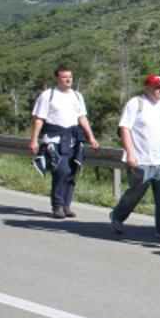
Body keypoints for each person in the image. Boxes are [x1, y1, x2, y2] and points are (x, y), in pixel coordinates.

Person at [110, 74, 160, 239]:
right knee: (135, 193)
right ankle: (117, 216)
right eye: (157, 87)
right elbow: (125, 128)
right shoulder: (136, 103)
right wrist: (130, 153)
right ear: (147, 87)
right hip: (140, 158)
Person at [28, 65, 99, 219]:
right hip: (54, 139)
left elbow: (82, 117)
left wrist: (91, 137)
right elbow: (39, 118)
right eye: (64, 77)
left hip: (73, 139)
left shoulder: (77, 96)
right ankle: (57, 205)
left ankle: (66, 205)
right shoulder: (48, 95)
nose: (68, 80)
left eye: (70, 77)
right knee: (62, 170)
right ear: (57, 79)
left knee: (72, 172)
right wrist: (34, 140)